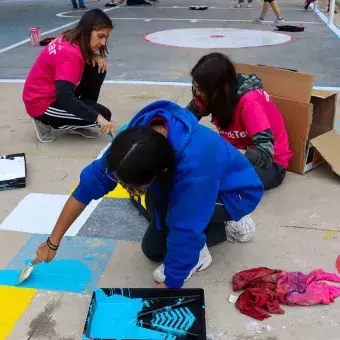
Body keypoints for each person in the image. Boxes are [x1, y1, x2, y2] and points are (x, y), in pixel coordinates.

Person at [33, 100, 264, 289]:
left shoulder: (196, 168)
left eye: (133, 186)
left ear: (161, 171)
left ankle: (228, 226)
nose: (127, 189)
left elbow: (185, 230)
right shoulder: (132, 143)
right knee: (153, 250)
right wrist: (52, 242)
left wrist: (169, 286)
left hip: (234, 192)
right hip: (188, 182)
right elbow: (85, 189)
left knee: (182, 225)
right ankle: (208, 226)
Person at [186, 53, 293, 191]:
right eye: (196, 88)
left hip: (270, 165)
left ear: (216, 91)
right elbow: (184, 120)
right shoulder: (211, 96)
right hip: (233, 154)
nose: (198, 94)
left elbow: (265, 156)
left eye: (201, 90)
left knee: (210, 180)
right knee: (189, 163)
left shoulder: (250, 104)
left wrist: (229, 153)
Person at [22, 9, 114, 143]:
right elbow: (65, 98)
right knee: (104, 115)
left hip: (50, 92)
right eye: (100, 36)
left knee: (97, 68)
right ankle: (43, 121)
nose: (103, 43)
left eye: (106, 37)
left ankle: (76, 120)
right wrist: (97, 117)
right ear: (87, 31)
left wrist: (95, 55)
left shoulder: (71, 37)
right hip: (41, 103)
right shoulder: (70, 56)